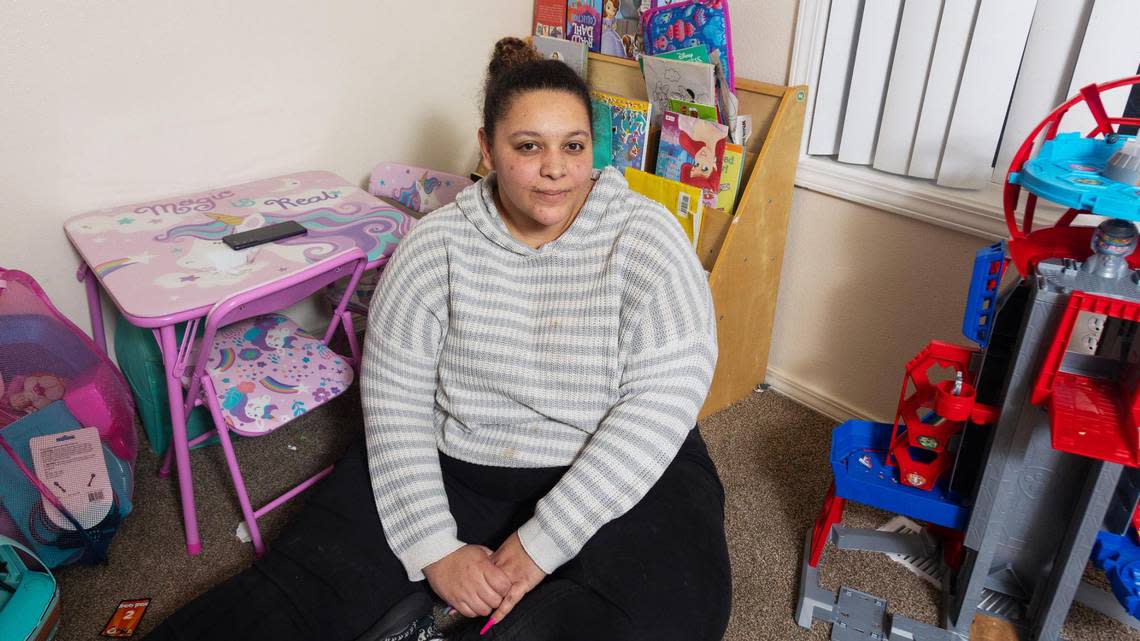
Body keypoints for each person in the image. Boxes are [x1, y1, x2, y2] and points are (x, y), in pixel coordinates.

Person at [146, 37, 730, 641]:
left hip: (613, 454)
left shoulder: (647, 238)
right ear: (488, 148)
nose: (555, 168)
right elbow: (395, 403)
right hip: (466, 459)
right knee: (302, 590)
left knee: (673, 612)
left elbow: (662, 401)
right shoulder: (434, 248)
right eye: (528, 146)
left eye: (572, 146)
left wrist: (542, 543)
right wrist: (432, 547)